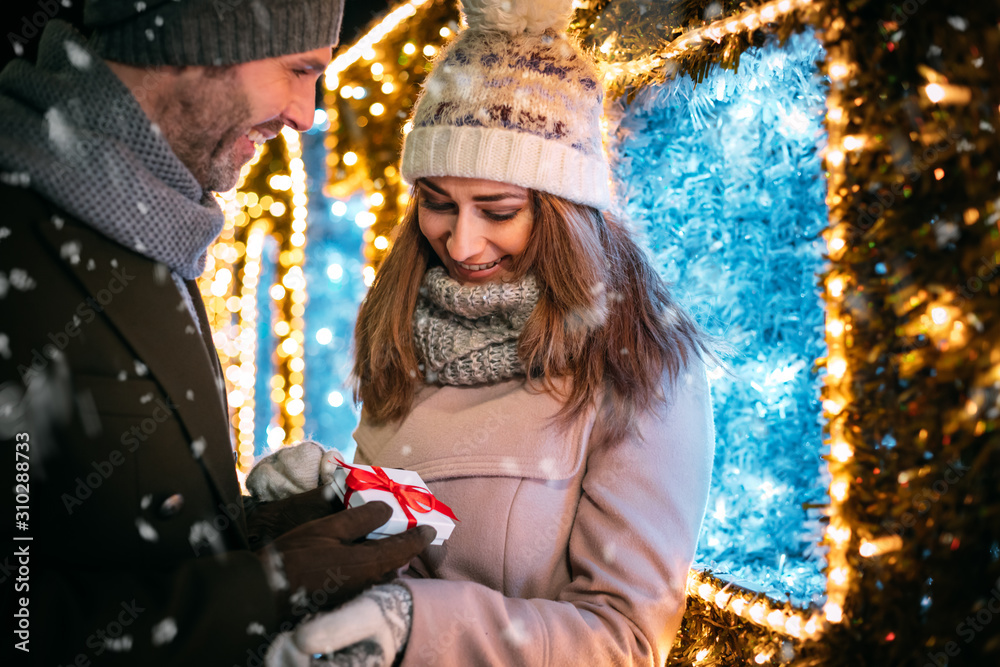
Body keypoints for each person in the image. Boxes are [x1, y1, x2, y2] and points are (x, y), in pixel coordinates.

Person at [252, 0, 717, 665]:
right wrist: (327, 493)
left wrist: (416, 624)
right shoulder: (412, 327)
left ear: (565, 212)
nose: (461, 243)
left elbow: (625, 639)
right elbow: (414, 520)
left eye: (497, 210)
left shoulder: (639, 369)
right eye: (437, 202)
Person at [0, 1, 434, 665]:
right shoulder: (24, 229)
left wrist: (262, 530)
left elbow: (110, 527)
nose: (304, 112)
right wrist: (266, 588)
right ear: (198, 35)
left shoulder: (149, 216)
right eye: (297, 68)